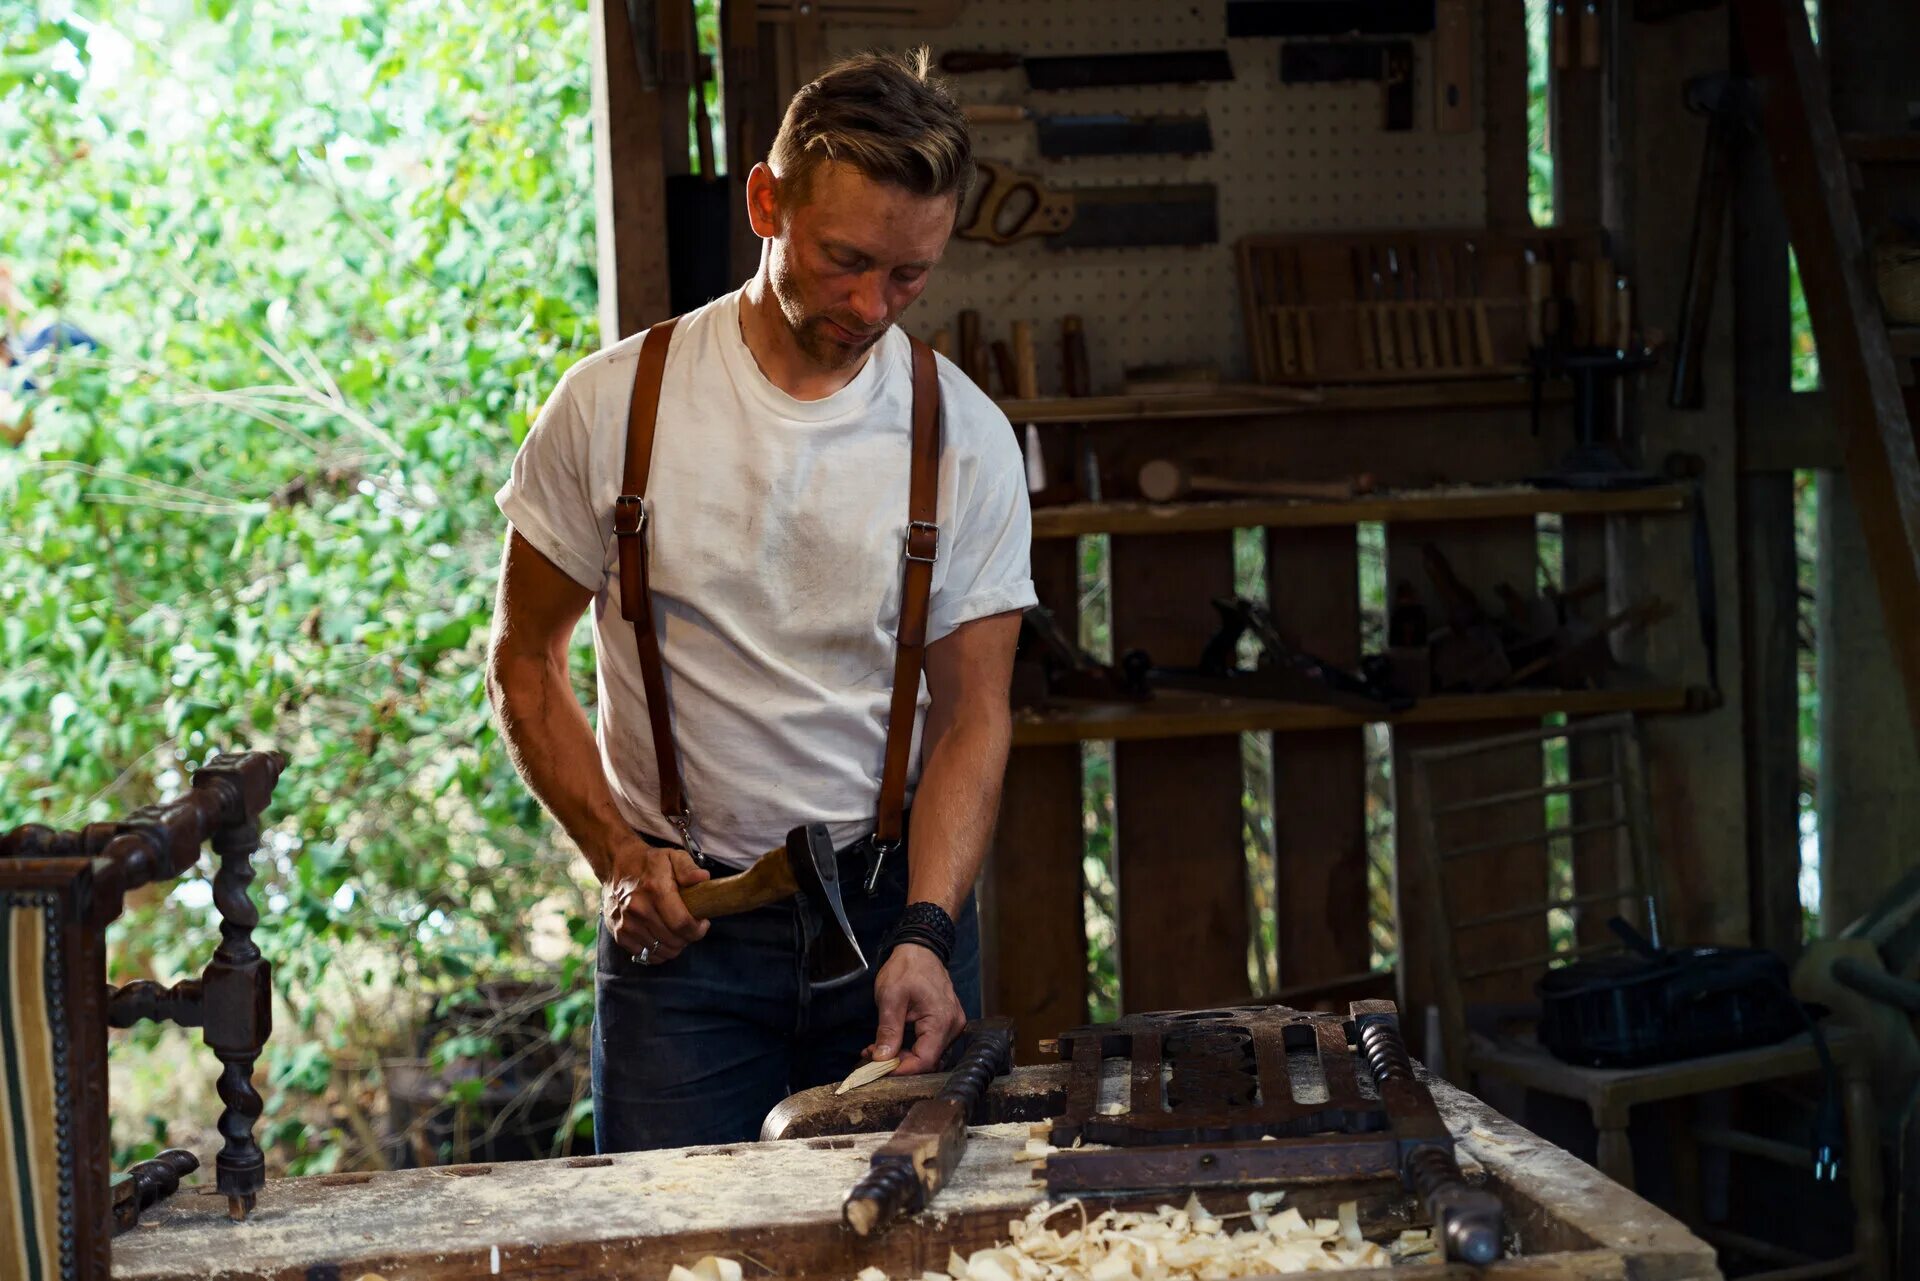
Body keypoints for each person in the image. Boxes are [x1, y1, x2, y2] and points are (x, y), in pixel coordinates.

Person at [485, 49, 1035, 1152]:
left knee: (911, 1249)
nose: (873, 305)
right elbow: (523, 661)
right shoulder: (613, 408)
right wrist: (617, 857)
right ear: (765, 202)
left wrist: (929, 928)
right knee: (672, 1251)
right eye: (845, 261)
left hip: (893, 921)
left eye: (911, 277)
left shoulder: (960, 434)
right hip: (684, 933)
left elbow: (975, 710)